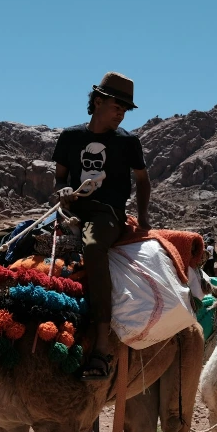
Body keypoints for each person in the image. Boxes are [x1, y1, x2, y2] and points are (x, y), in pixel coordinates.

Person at [52, 70, 151, 380]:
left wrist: (144, 220)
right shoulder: (70, 137)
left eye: (124, 109)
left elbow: (143, 181)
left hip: (106, 214)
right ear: (97, 102)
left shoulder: (128, 142)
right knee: (8, 242)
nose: (121, 114)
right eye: (116, 107)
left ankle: (100, 346)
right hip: (72, 209)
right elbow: (59, 178)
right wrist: (63, 192)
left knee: (94, 248)